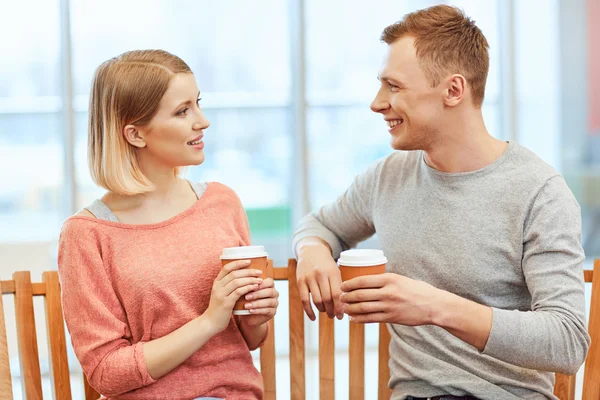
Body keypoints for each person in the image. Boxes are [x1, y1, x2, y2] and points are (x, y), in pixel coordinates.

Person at [291, 5, 589, 400]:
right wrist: (312, 250)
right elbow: (320, 225)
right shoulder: (388, 177)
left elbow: (567, 341)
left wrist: (434, 307)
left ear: (453, 90)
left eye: (394, 86)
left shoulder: (539, 192)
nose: (377, 103)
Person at [58, 49, 278, 400]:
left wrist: (255, 317)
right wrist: (209, 320)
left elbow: (248, 339)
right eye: (182, 111)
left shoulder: (222, 203)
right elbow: (106, 373)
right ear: (135, 135)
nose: (202, 121)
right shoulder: (88, 234)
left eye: (198, 103)